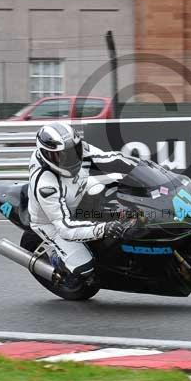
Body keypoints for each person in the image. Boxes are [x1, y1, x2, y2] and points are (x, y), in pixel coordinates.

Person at [28, 122, 139, 287]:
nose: (71, 158)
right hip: (52, 222)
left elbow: (112, 159)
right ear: (46, 155)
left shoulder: (79, 148)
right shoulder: (46, 185)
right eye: (62, 156)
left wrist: (146, 169)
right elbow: (65, 228)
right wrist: (103, 228)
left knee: (119, 195)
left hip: (78, 199)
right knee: (85, 268)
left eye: (74, 151)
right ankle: (57, 260)